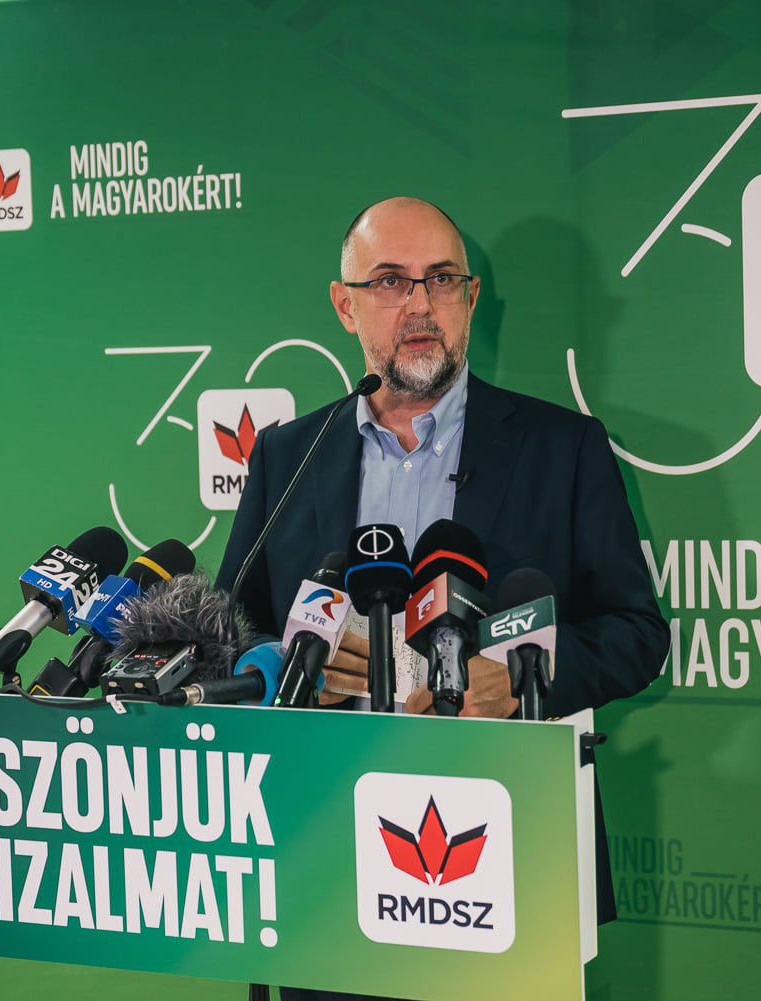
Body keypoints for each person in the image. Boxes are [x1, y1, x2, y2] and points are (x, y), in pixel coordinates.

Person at [214, 197, 669, 1000]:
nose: (420, 304)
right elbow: (230, 630)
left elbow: (637, 633)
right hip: (318, 849)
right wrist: (293, 666)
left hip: (505, 851)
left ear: (471, 296)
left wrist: (523, 674)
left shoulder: (562, 447)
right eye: (391, 281)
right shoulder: (288, 454)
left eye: (442, 279)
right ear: (345, 304)